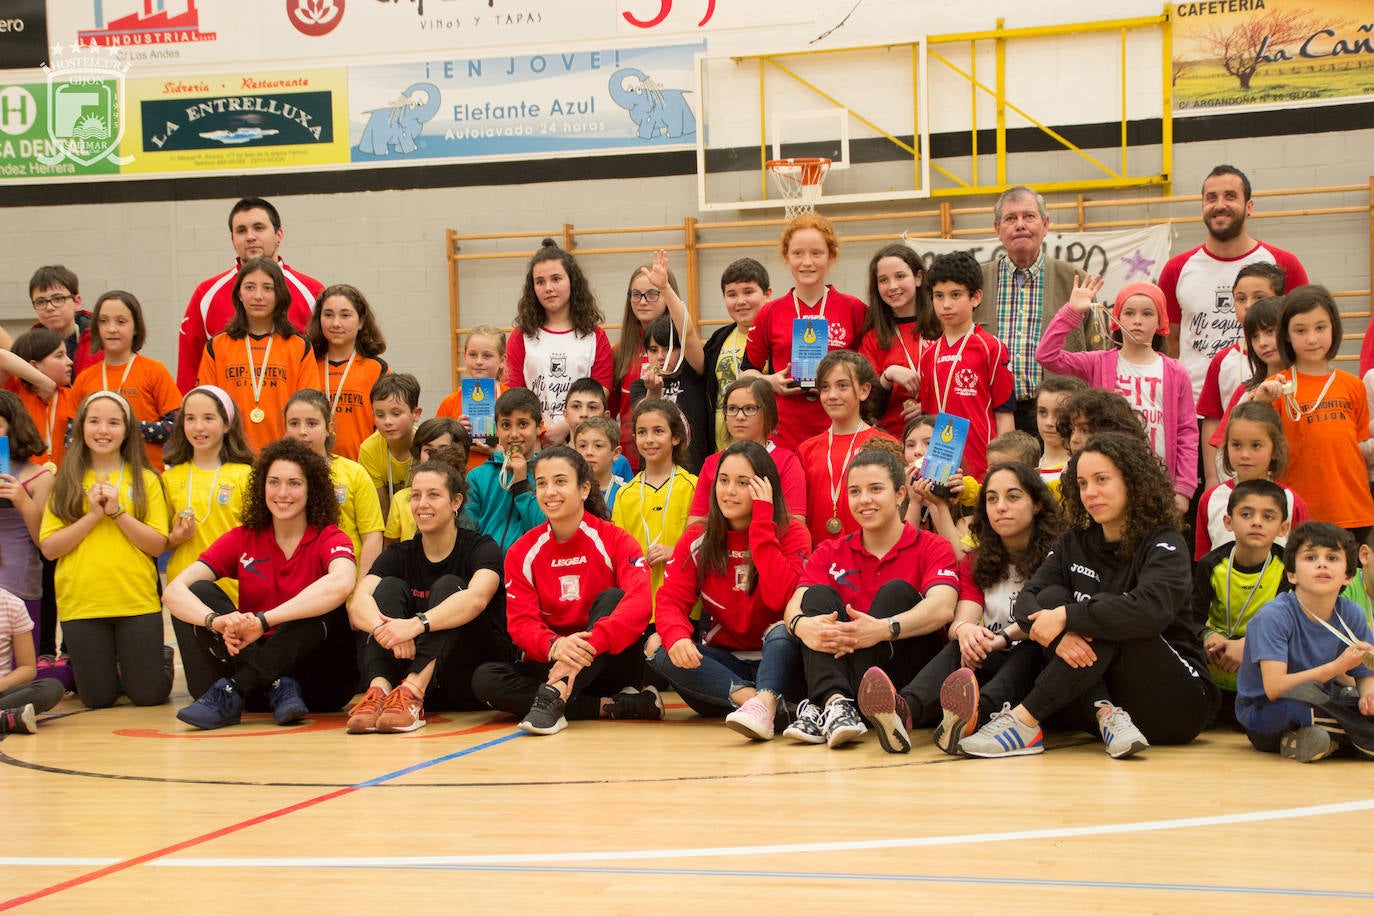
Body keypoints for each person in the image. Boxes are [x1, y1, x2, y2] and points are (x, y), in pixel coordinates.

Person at [952, 432, 1219, 759]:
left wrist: (1066, 618)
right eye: (1082, 483)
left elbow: (1149, 610)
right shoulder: (1073, 543)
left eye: (1102, 480)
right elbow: (1027, 602)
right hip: (1115, 711)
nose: (1091, 492)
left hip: (1179, 702)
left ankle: (1024, 720)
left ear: (1132, 481)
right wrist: (1058, 638)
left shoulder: (1164, 541)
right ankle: (1103, 711)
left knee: (1100, 613)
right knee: (1053, 596)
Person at [857, 461, 1062, 753]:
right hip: (992, 659)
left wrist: (997, 639)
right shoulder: (976, 560)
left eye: (1013, 497)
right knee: (959, 647)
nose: (1000, 506)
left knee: (1028, 648)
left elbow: (1048, 620)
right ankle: (904, 712)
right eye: (992, 499)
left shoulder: (1058, 555)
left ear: (1038, 504)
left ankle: (976, 715)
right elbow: (961, 620)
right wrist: (967, 633)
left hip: (1040, 669)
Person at [166, 438, 358, 729]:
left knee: (324, 604)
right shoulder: (243, 537)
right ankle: (275, 683)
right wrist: (215, 622)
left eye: (294, 483)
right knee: (199, 592)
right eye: (274, 482)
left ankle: (234, 688)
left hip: (321, 685)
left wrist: (264, 621)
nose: (282, 493)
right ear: (261, 487)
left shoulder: (329, 537)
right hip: (260, 688)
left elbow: (342, 583)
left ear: (311, 489)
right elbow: (174, 591)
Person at [471, 446, 659, 735]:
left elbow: (640, 602)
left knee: (613, 598)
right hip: (552, 661)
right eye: (542, 483)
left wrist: (591, 644)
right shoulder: (522, 552)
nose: (549, 492)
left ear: (583, 489)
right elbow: (521, 623)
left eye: (560, 481)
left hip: (608, 661)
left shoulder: (615, 540)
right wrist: (556, 646)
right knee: (485, 679)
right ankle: (610, 705)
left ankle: (554, 694)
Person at [780, 447, 959, 748]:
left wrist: (882, 629)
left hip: (905, 673)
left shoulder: (932, 546)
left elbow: (942, 608)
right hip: (843, 668)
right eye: (855, 491)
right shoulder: (829, 551)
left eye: (876, 489)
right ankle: (837, 703)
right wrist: (800, 625)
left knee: (896, 592)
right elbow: (794, 604)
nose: (864, 500)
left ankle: (825, 704)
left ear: (901, 494)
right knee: (818, 596)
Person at [648, 441, 809, 739]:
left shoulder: (792, 534)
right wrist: (677, 636)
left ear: (765, 488)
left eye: (742, 482)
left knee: (781, 631)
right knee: (659, 645)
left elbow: (782, 599)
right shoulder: (699, 537)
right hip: (724, 670)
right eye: (723, 481)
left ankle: (767, 702)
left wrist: (762, 522)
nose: (729, 490)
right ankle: (762, 705)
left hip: (780, 661)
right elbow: (670, 600)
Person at [346, 458, 511, 733]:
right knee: (386, 588)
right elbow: (359, 601)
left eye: (433, 495)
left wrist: (415, 624)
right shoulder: (399, 554)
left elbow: (476, 599)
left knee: (449, 586)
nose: (422, 504)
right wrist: (385, 630)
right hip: (407, 675)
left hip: (469, 674)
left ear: (456, 502)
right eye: (416, 496)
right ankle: (380, 691)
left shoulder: (482, 547)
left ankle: (413, 691)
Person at [38, 391, 171, 710]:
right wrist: (94, 515)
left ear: (126, 430)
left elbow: (156, 544)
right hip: (83, 603)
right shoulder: (65, 481)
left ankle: (156, 658)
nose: (103, 430)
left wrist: (116, 512)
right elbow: (49, 549)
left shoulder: (147, 480)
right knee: (97, 699)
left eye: (113, 423)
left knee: (149, 696)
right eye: (94, 421)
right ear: (81, 427)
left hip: (136, 602)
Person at [1036, 277, 1198, 513]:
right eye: (1129, 313)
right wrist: (1071, 312)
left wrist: (1183, 489)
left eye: (1147, 314)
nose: (1137, 321)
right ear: (1116, 319)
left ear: (1161, 321)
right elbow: (1047, 355)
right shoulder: (1099, 362)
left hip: (1159, 482)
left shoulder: (1175, 371)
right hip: (1106, 478)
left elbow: (1187, 433)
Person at [1158, 165, 1308, 398]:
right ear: (1202, 207)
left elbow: (1303, 336)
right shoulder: (1176, 269)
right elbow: (1172, 343)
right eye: (1211, 198)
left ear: (1249, 206)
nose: (1219, 205)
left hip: (1271, 399)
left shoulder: (1283, 264)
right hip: (1194, 406)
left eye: (1230, 196)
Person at [1235, 522, 1374, 761]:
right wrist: (1336, 668)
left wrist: (1368, 696)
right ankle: (1361, 738)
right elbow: (1275, 687)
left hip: (1322, 703)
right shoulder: (1274, 616)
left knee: (1339, 699)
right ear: (1292, 574)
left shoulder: (1351, 613)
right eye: (1310, 557)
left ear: (1348, 576)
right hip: (1268, 712)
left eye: (1332, 558)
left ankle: (1315, 740)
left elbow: (1365, 675)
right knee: (1303, 698)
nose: (1322, 564)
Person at [974, 186, 1104, 433]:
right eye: (1010, 218)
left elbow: (1100, 356)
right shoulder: (975, 283)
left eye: (1029, 217)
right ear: (997, 229)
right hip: (992, 416)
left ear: (1045, 225)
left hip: (1063, 416)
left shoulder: (1076, 280)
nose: (1020, 225)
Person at [1252, 285, 1374, 538]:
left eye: (1320, 328)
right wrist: (1261, 402)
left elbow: (1357, 448)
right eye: (1300, 330)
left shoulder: (1353, 386)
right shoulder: (1275, 387)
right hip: (1299, 514)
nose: (1311, 338)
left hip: (1354, 511)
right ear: (1286, 334)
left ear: (1334, 328)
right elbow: (1247, 438)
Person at [740, 213, 867, 451]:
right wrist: (770, 381)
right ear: (787, 257)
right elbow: (746, 373)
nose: (807, 262)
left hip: (840, 429)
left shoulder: (854, 309)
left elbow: (869, 372)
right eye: (798, 253)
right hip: (785, 433)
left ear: (831, 257)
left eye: (816, 253)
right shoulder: (770, 312)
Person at [177, 197, 323, 392]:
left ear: (279, 235)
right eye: (241, 230)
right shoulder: (206, 294)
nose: (250, 236)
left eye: (259, 228)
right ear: (232, 240)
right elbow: (189, 368)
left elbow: (325, 362)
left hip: (294, 418)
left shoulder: (312, 292)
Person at [197, 257, 321, 452]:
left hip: (285, 456)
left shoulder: (299, 346)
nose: (258, 296)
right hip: (232, 458)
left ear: (279, 294)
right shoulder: (216, 346)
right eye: (250, 287)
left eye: (268, 288)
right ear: (239, 293)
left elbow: (309, 407)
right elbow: (206, 408)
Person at [915, 251, 1015, 482]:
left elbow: (1004, 415)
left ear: (976, 297)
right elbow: (927, 418)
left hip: (982, 468)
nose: (946, 304)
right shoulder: (928, 355)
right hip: (939, 470)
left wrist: (1004, 468)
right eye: (939, 296)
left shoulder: (991, 348)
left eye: (956, 295)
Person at [1193, 479, 1292, 710]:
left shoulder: (1288, 567)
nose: (1256, 522)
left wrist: (1248, 644)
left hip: (1262, 658)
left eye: (1268, 517)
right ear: (1228, 522)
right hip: (1216, 655)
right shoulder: (1211, 564)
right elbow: (1190, 618)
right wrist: (1207, 636)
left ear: (1283, 528)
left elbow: (1289, 626)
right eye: (1246, 515)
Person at [506, 239, 613, 446]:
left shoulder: (594, 336)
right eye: (540, 281)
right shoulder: (522, 336)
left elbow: (601, 391)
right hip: (535, 441)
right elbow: (514, 392)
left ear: (572, 281)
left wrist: (565, 427)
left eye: (556, 279)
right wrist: (540, 431)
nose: (548, 288)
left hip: (582, 440)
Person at [161, 386, 256, 616]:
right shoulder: (169, 478)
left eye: (208, 418)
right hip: (185, 593)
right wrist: (176, 538)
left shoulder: (246, 475)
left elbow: (258, 539)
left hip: (234, 591)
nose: (198, 427)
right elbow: (159, 539)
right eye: (190, 419)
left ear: (226, 424)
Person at [282, 389, 384, 591]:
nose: (302, 431)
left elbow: (372, 536)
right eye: (294, 423)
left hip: (345, 590)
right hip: (293, 590)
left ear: (328, 427)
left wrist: (362, 591)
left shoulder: (354, 473)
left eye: (312, 423)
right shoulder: (275, 477)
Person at [70, 291, 181, 471]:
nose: (111, 328)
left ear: (136, 327)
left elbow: (176, 428)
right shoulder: (84, 379)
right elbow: (71, 436)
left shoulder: (154, 371)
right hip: (98, 480)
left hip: (146, 478)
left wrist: (129, 427)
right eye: (103, 321)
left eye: (121, 322)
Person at [613, 250, 704, 470]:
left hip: (691, 470)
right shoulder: (620, 353)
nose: (643, 301)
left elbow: (687, 333)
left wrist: (665, 287)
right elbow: (629, 411)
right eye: (636, 294)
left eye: (652, 293)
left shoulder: (689, 365)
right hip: (638, 462)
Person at [796, 350, 897, 544]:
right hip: (819, 561)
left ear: (864, 391)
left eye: (842, 386)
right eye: (825, 387)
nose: (832, 395)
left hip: (870, 558)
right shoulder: (806, 450)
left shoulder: (886, 446)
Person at [1198, 264, 1285, 488]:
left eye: (1259, 297)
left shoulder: (1307, 374)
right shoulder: (1227, 366)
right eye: (1240, 298)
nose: (1248, 306)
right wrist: (1211, 478)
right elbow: (1215, 425)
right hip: (1249, 485)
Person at [687, 377, 807, 527]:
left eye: (749, 409)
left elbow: (796, 524)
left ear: (768, 413)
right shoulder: (712, 462)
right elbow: (696, 524)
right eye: (732, 409)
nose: (739, 416)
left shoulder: (787, 462)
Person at [1194, 401, 1307, 559]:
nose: (1245, 454)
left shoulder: (1292, 501)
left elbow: (1302, 562)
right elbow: (1203, 562)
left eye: (1256, 445)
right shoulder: (1210, 499)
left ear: (1274, 449)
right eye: (1237, 445)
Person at [611, 399, 697, 598]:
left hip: (683, 598)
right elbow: (619, 552)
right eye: (642, 432)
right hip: (638, 599)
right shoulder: (625, 494)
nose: (649, 439)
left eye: (658, 431)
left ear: (675, 437)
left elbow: (705, 543)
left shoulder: (694, 486)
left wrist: (675, 551)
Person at [859, 242, 937, 440]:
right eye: (883, 280)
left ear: (918, 278)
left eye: (900, 276)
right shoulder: (873, 339)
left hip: (941, 440)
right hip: (893, 441)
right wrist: (887, 376)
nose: (892, 286)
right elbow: (868, 408)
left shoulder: (943, 329)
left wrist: (931, 408)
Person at [307, 284, 389, 463]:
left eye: (345, 315)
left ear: (360, 322)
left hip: (363, 470)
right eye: (328, 315)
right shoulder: (307, 364)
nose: (336, 323)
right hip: (314, 467)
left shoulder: (377, 369)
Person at [0, 393, 55, 658]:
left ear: (13, 426)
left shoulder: (39, 476)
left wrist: (22, 501)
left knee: (23, 670)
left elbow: (45, 542)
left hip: (19, 585)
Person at [465, 387, 545, 550]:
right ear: (497, 428)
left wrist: (521, 485)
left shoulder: (547, 476)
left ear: (539, 426)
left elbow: (543, 529)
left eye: (523, 424)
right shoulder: (478, 477)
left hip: (532, 569)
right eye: (506, 425)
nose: (514, 434)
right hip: (487, 568)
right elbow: (466, 532)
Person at [629, 315, 711, 473]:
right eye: (653, 350)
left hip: (694, 473)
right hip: (655, 474)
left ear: (682, 350)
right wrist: (653, 391)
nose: (660, 356)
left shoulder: (695, 375)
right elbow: (644, 418)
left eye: (668, 349)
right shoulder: (640, 386)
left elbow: (688, 334)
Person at [704, 258, 771, 451]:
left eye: (748, 292)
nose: (740, 301)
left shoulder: (780, 338)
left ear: (768, 294)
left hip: (766, 449)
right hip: (723, 450)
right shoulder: (718, 340)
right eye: (732, 294)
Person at [383, 419, 470, 543]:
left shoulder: (473, 495)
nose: (435, 456)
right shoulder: (401, 499)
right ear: (418, 453)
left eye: (443, 449)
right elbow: (390, 546)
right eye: (428, 451)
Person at [437, 325, 507, 472]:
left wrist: (498, 450)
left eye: (487, 355)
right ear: (464, 356)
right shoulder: (449, 403)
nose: (479, 361)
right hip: (463, 481)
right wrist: (455, 435)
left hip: (502, 481)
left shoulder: (514, 400)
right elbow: (435, 451)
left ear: (502, 360)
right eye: (473, 354)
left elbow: (530, 451)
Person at [0, 584, 64, 735]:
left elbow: (27, 669)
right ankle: (7, 719)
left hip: (2, 690)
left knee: (51, 688)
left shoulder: (12, 605)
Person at [5, 329, 73, 468]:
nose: (70, 361)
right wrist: (43, 382)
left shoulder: (72, 396)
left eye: (67, 354)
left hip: (62, 482)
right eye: (59, 356)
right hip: (20, 482)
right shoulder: (15, 389)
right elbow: (1, 357)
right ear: (34, 366)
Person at [358, 373, 421, 518]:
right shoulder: (369, 450)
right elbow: (381, 507)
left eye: (396, 414)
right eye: (380, 415)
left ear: (416, 414)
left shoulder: (426, 446)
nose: (387, 422)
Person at [27, 265, 95, 376]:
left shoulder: (100, 339)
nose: (49, 307)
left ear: (76, 302)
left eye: (58, 299)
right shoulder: (31, 348)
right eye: (40, 302)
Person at [1035, 375, 1086, 488]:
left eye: (1059, 414)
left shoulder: (1082, 469)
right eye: (1042, 412)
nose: (1049, 422)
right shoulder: (1025, 463)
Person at [572, 415, 626, 516]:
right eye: (582, 446)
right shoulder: (569, 491)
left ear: (615, 453)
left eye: (598, 446)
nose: (589, 452)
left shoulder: (626, 493)